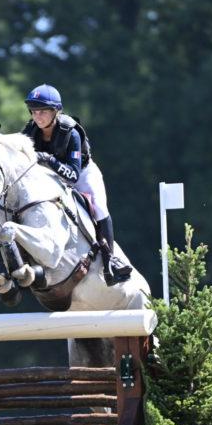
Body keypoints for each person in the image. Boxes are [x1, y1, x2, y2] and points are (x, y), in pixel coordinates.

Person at [21, 84, 132, 285]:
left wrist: (49, 160)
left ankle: (110, 260)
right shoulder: (29, 131)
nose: (37, 116)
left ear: (56, 111)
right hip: (48, 177)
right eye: (34, 111)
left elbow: (72, 175)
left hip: (82, 173)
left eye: (43, 111)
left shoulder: (70, 132)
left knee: (98, 207)